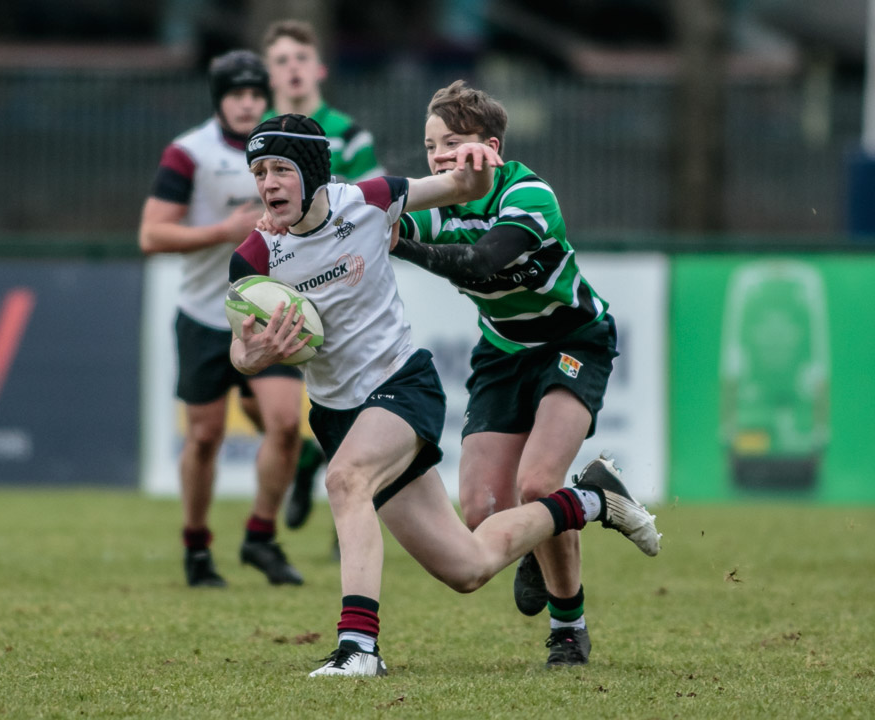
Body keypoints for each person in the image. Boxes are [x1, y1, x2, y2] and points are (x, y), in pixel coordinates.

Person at [228, 114, 660, 677]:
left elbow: (462, 189)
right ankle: (593, 501)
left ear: (311, 173)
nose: (269, 183)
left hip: (401, 388)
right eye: (259, 171)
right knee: (469, 566)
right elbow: (240, 348)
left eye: (282, 168)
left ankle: (358, 648)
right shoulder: (256, 256)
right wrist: (256, 355)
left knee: (344, 480)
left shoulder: (369, 200)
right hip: (338, 416)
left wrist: (475, 169)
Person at [391, 79, 624, 667]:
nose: (438, 158)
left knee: (539, 486)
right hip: (502, 352)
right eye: (429, 147)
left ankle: (568, 628)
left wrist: (396, 240)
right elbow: (378, 225)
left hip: (573, 342)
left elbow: (481, 260)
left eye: (450, 144)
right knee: (480, 512)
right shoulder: (438, 203)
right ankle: (561, 516)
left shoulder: (530, 194)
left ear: (490, 146)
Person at [137, 50, 305, 588]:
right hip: (205, 317)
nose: (247, 103)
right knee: (205, 437)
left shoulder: (290, 150)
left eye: (256, 94)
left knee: (284, 425)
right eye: (237, 94)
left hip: (269, 312)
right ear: (220, 99)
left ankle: (260, 536)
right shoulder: (189, 153)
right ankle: (196, 547)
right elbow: (151, 235)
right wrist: (221, 231)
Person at [261, 18, 386, 530]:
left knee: (356, 387)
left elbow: (375, 202)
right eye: (281, 61)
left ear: (319, 69)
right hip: (282, 284)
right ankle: (317, 460)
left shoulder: (350, 135)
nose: (292, 70)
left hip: (343, 279)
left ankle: (338, 490)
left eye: (300, 59)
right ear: (270, 74)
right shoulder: (259, 135)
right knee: (289, 413)